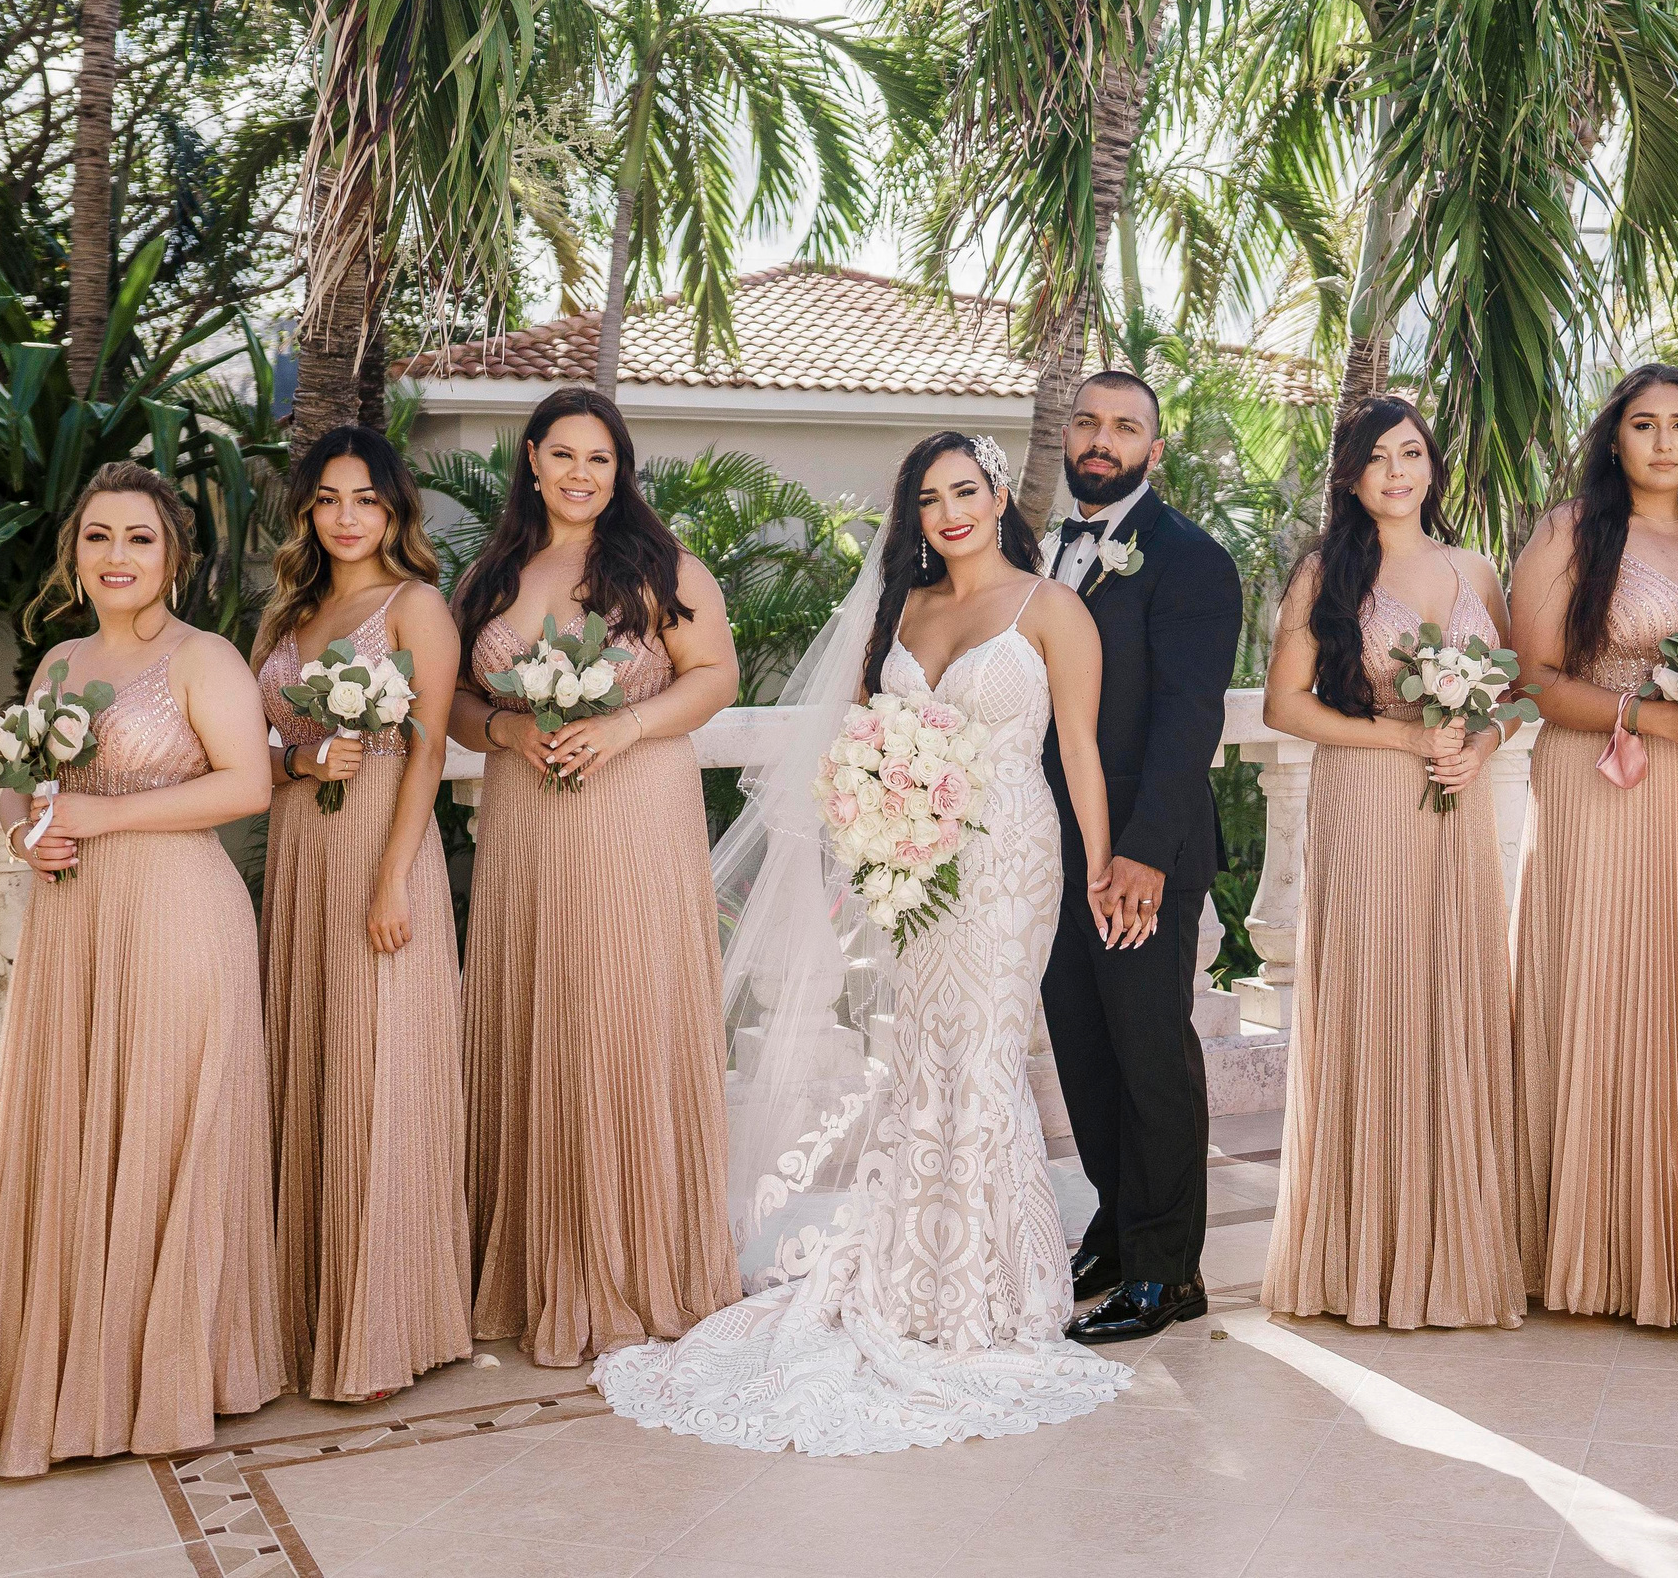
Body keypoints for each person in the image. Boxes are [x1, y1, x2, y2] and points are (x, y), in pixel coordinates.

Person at [595, 430, 1132, 1453]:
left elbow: (1079, 752)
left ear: (996, 495)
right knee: (924, 1061)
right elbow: (858, 739)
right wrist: (871, 826)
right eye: (928, 498)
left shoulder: (1051, 610)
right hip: (916, 864)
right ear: (914, 515)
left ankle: (985, 1295)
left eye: (964, 491)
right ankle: (913, 1273)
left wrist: (1100, 867)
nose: (949, 513)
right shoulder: (908, 608)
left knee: (980, 1057)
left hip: (1012, 855)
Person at [0, 462, 282, 1475]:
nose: (117, 556)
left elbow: (250, 784)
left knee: (169, 1126)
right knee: (83, 1127)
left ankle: (174, 1374)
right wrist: (21, 834)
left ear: (173, 553)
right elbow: (23, 784)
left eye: (138, 537)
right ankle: (80, 1363)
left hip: (177, 912)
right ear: (74, 553)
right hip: (76, 920)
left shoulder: (201, 657)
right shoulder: (54, 665)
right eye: (98, 536)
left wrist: (105, 815)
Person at [448, 387, 743, 1367]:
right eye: (563, 454)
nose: (580, 474)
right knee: (536, 1011)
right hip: (527, 819)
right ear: (531, 460)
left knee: (619, 1012)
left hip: (633, 808)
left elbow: (713, 677)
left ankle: (640, 1261)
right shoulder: (490, 575)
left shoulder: (662, 567)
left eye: (600, 459)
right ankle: (533, 1266)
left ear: (621, 472)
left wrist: (619, 726)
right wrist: (504, 728)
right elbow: (452, 699)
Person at [1506, 364, 1678, 1328]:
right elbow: (1534, 678)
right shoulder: (1570, 534)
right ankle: (1601, 1244)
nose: (1665, 442)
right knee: (1614, 990)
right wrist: (1650, 715)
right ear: (1613, 438)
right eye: (1643, 424)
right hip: (1609, 788)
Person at [1259, 397, 1526, 1330]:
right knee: (1374, 1001)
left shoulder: (1475, 569)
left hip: (1457, 806)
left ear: (1432, 467)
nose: (1397, 472)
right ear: (1350, 476)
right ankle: (1360, 1254)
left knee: (1454, 995)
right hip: (1368, 801)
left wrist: (1480, 742)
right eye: (1377, 458)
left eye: (1411, 453)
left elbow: (1515, 691)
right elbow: (1284, 708)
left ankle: (1454, 1245)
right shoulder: (1326, 573)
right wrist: (1401, 738)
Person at [252, 426, 472, 1402]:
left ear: (395, 512)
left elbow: (426, 748)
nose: (347, 518)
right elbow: (248, 750)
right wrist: (301, 760)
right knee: (315, 1062)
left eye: (366, 501)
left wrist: (394, 880)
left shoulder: (416, 604)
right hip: (301, 852)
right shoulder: (287, 611)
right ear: (308, 510)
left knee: (381, 1066)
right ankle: (307, 1310)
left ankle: (387, 1325)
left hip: (385, 845)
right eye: (330, 499)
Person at [1040, 370, 1246, 1343]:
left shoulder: (1187, 560)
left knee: (1148, 1054)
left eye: (1124, 427)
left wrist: (1143, 856)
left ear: (1152, 451)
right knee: (1083, 1053)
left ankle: (1168, 1273)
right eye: (1087, 421)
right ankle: (1117, 1227)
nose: (1101, 438)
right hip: (1047, 849)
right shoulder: (1032, 553)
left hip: (1138, 855)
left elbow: (1186, 717)